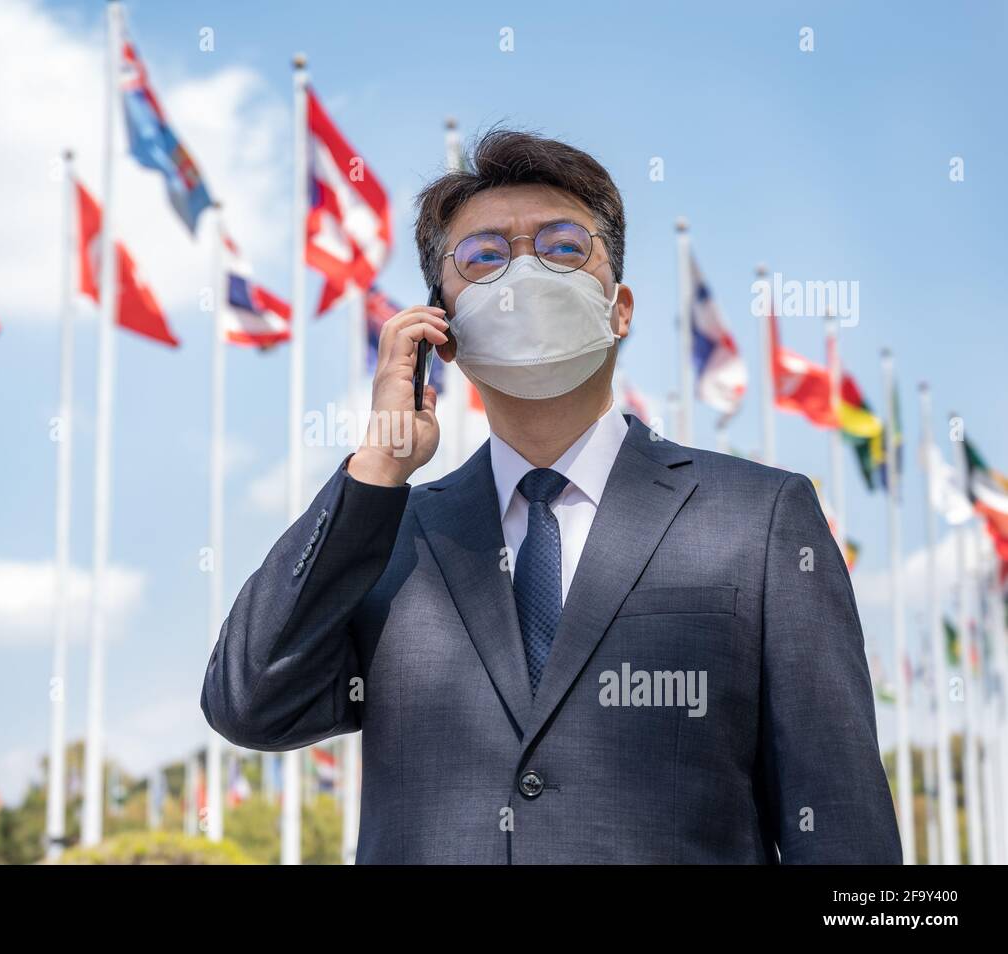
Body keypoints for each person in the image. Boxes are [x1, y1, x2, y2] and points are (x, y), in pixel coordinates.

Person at [201, 129, 901, 864]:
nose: (525, 272)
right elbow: (249, 705)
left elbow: (844, 825)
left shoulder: (758, 519)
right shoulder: (387, 534)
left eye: (564, 246)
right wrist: (376, 468)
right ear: (441, 328)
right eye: (484, 257)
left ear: (620, 308)